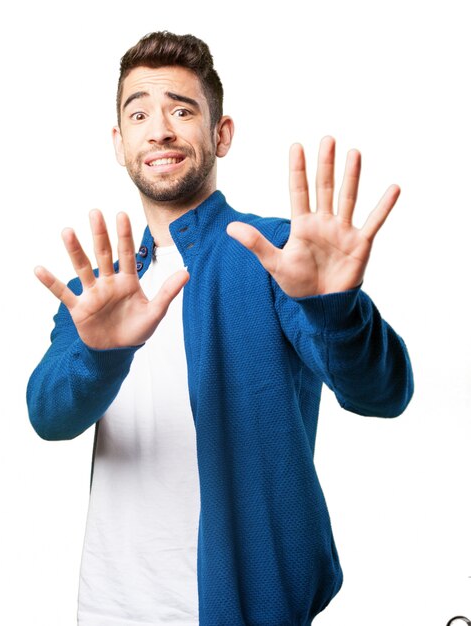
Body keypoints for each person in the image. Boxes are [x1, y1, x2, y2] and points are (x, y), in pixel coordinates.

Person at [27, 31, 414, 626]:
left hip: (243, 610)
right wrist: (98, 355)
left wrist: (337, 310)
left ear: (220, 134)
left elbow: (383, 394)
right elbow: (48, 418)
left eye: (182, 110)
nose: (159, 129)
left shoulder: (276, 254)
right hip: (109, 607)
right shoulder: (99, 289)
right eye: (139, 114)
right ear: (119, 141)